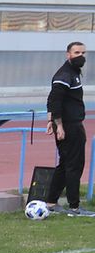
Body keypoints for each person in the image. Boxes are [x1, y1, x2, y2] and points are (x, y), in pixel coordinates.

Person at [44, 41, 88, 214]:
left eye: (83, 53)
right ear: (68, 54)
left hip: (71, 124)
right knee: (74, 166)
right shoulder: (64, 74)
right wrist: (59, 125)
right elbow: (55, 99)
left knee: (65, 165)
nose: (81, 56)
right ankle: (74, 207)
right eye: (77, 53)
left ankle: (51, 203)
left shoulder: (73, 72)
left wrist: (50, 121)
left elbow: (52, 99)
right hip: (69, 126)